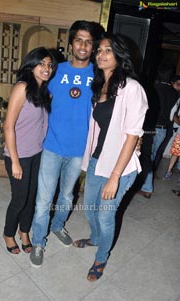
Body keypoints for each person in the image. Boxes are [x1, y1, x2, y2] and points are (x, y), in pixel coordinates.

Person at [73, 33, 148, 281]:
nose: (101, 54)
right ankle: (95, 239)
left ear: (119, 55)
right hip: (98, 159)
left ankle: (101, 257)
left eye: (108, 50)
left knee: (106, 215)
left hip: (121, 167)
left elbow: (131, 136)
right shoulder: (99, 86)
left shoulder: (133, 88)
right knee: (88, 209)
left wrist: (114, 177)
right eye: (99, 50)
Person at [30, 20, 105, 267]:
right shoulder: (56, 70)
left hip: (79, 150)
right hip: (52, 146)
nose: (83, 45)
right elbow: (38, 96)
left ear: (93, 47)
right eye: (78, 40)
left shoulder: (98, 75)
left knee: (66, 196)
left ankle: (58, 225)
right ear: (71, 43)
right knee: (44, 198)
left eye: (88, 41)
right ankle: (38, 241)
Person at [3, 47, 57, 254]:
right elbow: (8, 126)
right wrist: (15, 161)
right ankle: (8, 233)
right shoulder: (22, 87)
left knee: (32, 196)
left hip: (37, 153)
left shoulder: (43, 92)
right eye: (41, 63)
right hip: (19, 155)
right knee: (19, 198)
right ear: (31, 65)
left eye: (49, 65)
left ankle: (24, 231)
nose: (46, 68)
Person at [138, 64, 179, 199]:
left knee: (146, 157)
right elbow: (173, 113)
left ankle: (146, 186)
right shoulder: (175, 93)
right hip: (163, 129)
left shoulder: (153, 89)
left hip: (151, 127)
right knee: (153, 155)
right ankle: (147, 181)